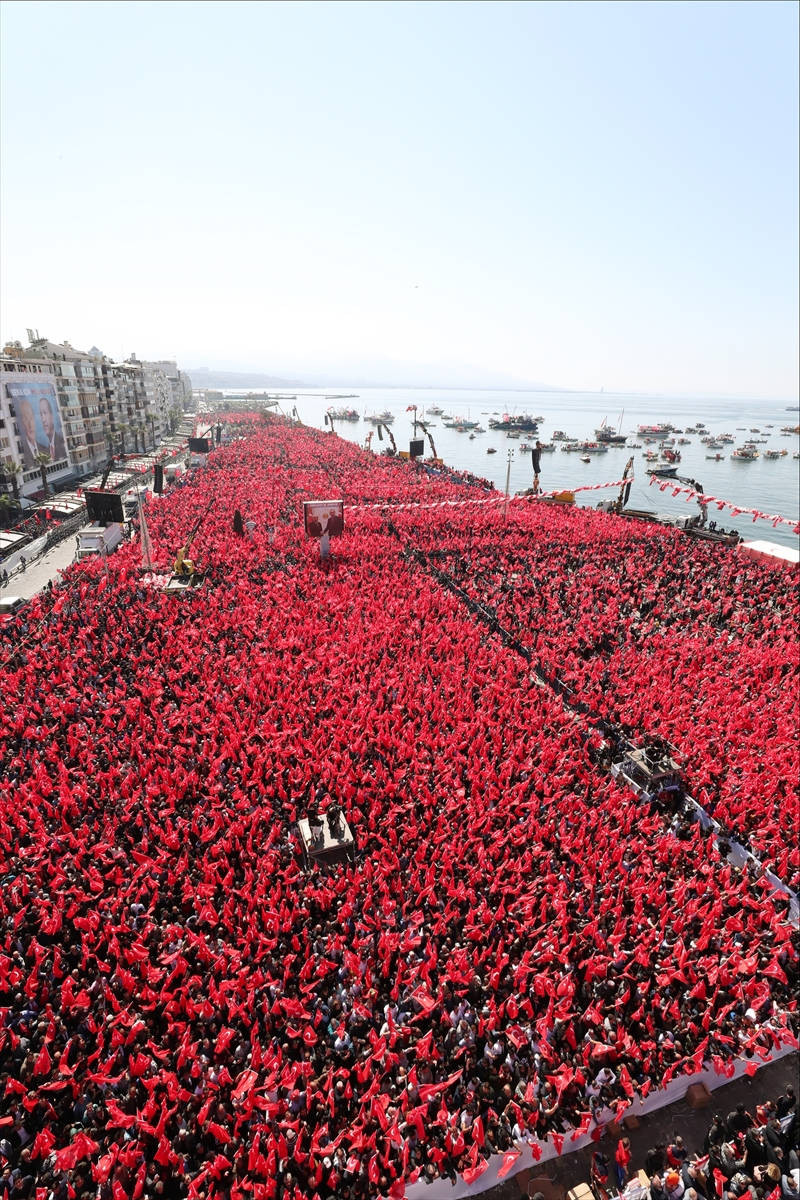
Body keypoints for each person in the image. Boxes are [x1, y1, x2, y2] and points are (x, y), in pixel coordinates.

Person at [16, 398, 48, 470]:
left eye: (31, 418)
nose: (30, 425)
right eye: (26, 419)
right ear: (22, 423)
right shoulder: (22, 451)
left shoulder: (45, 449)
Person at [38, 394, 67, 462]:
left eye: (45, 413)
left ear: (52, 417)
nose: (43, 419)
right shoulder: (46, 450)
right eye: (41, 414)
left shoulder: (61, 441)